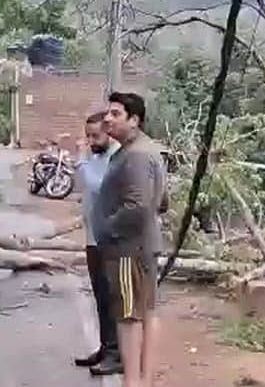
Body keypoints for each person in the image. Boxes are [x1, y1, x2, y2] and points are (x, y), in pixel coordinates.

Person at [95, 92, 167, 387]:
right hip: (142, 247)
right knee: (146, 313)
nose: (107, 119)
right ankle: (143, 380)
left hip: (127, 250)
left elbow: (137, 206)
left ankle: (133, 382)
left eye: (115, 114)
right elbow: (161, 202)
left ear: (134, 120)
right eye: (107, 113)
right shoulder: (143, 150)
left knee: (129, 319)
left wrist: (107, 228)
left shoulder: (136, 155)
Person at [73, 111, 122, 375]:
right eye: (88, 136)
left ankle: (116, 353)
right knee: (100, 296)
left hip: (108, 237)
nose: (91, 141)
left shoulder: (116, 158)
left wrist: (81, 162)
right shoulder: (94, 156)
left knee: (111, 296)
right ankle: (105, 347)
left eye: (96, 136)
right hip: (92, 234)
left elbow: (98, 186)